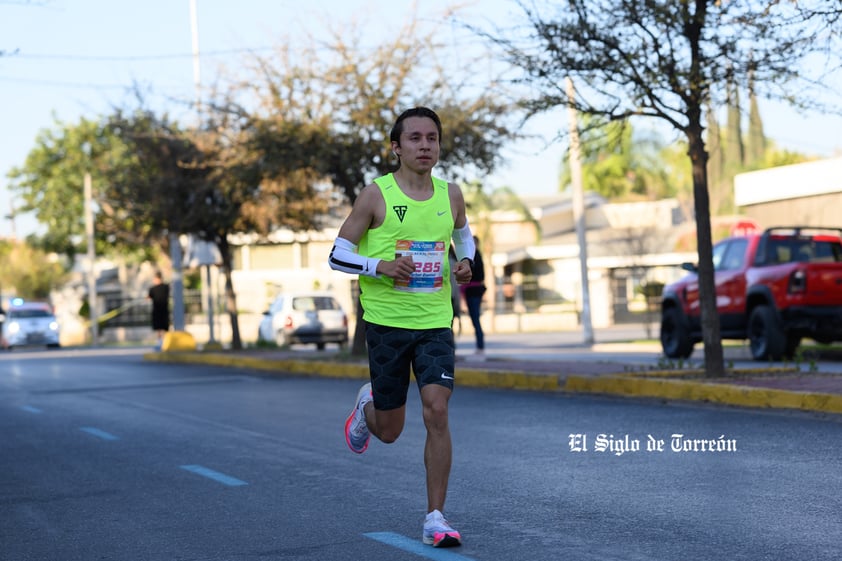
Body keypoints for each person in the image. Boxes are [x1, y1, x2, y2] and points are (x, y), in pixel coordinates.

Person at [328, 106, 475, 548]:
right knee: (390, 431)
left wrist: (465, 260)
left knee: (437, 410)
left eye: (432, 138)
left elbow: (462, 233)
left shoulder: (451, 194)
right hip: (387, 324)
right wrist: (381, 266)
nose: (425, 145)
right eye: (414, 138)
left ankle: (436, 517)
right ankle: (366, 406)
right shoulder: (376, 195)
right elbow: (337, 254)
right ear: (397, 147)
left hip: (434, 322)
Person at [462, 236, 486, 359]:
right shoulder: (474, 257)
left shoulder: (474, 257)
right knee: (475, 319)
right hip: (472, 291)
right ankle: (480, 346)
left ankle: (480, 347)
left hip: (473, 292)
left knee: (475, 319)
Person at [147, 271, 170, 349]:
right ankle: (162, 341)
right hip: (163, 309)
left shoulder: (153, 288)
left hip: (158, 309)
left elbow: (149, 297)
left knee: (160, 327)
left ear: (157, 278)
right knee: (162, 326)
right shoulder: (166, 287)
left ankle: (161, 341)